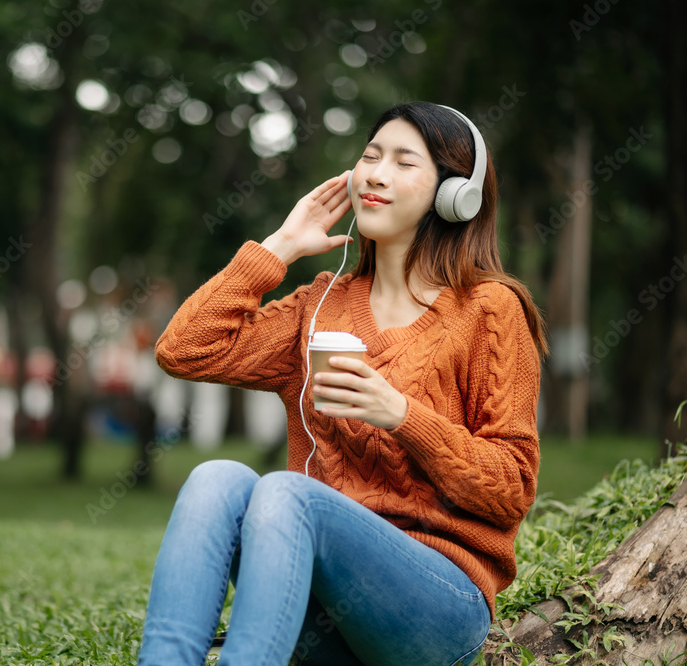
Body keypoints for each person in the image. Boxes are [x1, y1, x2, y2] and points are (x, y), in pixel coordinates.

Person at [136, 101, 547, 666]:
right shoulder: (322, 303)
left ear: (455, 196)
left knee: (285, 492)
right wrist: (280, 246)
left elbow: (512, 489)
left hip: (437, 609)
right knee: (215, 478)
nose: (375, 173)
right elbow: (184, 350)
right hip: (326, 614)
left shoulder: (490, 311)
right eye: (370, 156)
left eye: (405, 162)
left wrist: (402, 414)